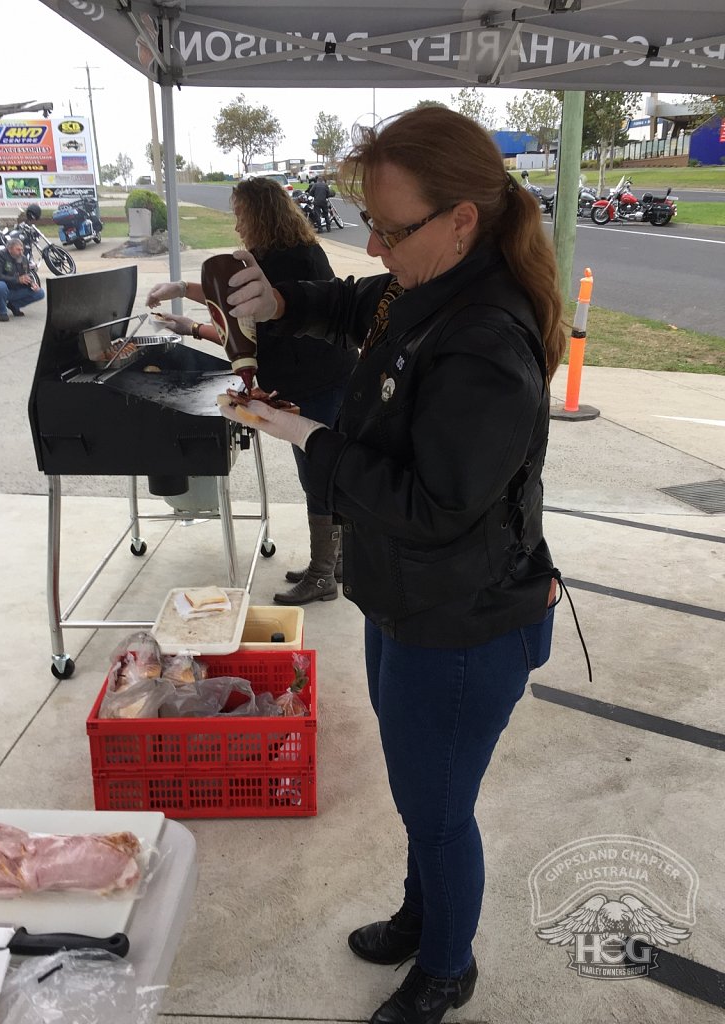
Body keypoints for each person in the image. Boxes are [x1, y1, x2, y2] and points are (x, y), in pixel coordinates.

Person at [216, 106, 566, 1024]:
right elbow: (365, 302)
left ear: (461, 219)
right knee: (423, 795)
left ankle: (447, 968)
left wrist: (308, 436)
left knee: (440, 810)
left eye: (390, 227)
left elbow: (434, 506)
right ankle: (422, 916)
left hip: (463, 621)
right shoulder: (433, 282)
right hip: (406, 604)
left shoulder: (484, 340)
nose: (374, 242)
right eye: (367, 221)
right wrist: (288, 299)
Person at [145, 176, 358, 604]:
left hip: (315, 382)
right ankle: (337, 560)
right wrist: (185, 293)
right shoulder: (290, 251)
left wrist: (192, 324)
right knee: (329, 471)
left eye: (241, 214)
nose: (238, 224)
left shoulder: (283, 261)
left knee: (318, 474)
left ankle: (322, 574)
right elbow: (229, 299)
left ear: (260, 213)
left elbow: (239, 312)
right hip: (327, 375)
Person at [0, 237, 44, 322]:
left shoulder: (23, 259)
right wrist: (17, 280)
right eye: (18, 250)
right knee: (0, 285)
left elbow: (26, 275)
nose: (21, 252)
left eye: (22, 250)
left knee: (40, 293)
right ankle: (2, 312)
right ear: (9, 249)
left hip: (14, 289)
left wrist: (32, 284)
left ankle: (14, 305)